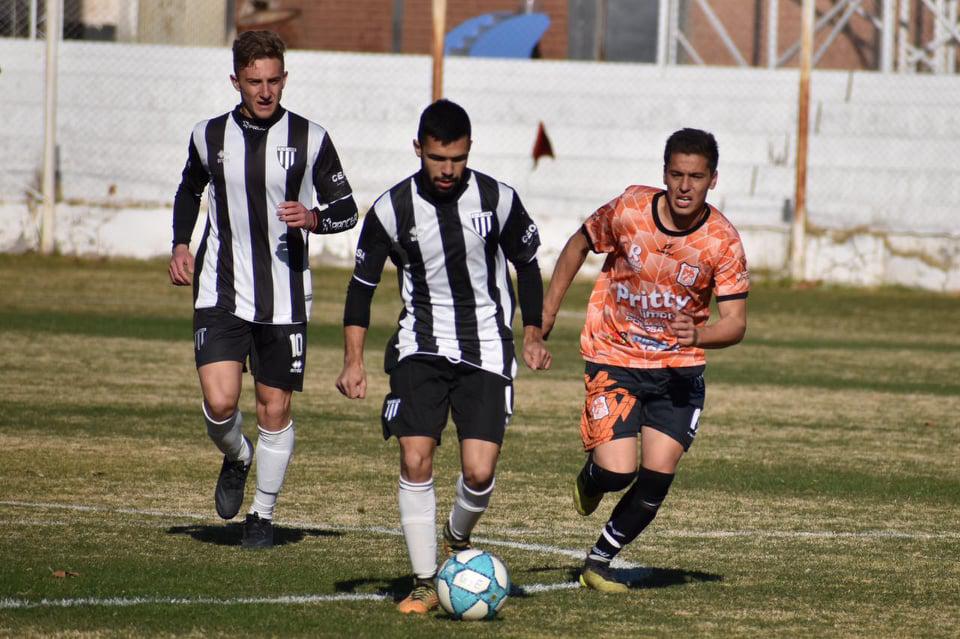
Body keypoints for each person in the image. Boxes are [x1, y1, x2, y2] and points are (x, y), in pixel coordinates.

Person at [335, 99, 552, 614]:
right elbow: (361, 288)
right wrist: (353, 360)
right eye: (437, 158)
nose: (448, 169)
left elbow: (528, 265)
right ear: (419, 150)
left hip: (487, 349)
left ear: (469, 150)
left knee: (478, 473)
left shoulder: (498, 199)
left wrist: (535, 333)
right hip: (421, 347)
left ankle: (457, 536)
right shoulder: (391, 210)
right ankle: (425, 580)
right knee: (415, 457)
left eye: (456, 158)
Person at [167, 30, 358, 549]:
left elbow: (347, 210)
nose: (266, 91)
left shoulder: (310, 138)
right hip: (220, 288)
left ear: (284, 78)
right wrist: (181, 243)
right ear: (236, 81)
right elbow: (189, 188)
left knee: (275, 410)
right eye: (254, 81)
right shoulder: (208, 136)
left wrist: (314, 217)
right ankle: (237, 456)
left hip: (286, 295)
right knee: (220, 401)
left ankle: (262, 516)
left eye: (274, 80)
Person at [541, 128, 749, 592]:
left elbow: (735, 322)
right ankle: (594, 476)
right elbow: (578, 243)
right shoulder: (631, 208)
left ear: (712, 179)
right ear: (664, 173)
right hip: (614, 354)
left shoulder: (722, 241)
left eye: (696, 176)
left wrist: (700, 333)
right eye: (676, 174)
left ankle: (598, 563)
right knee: (618, 471)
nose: (684, 186)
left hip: (677, 372)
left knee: (657, 474)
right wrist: (549, 309)